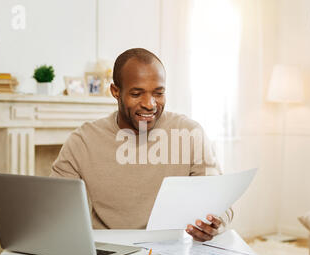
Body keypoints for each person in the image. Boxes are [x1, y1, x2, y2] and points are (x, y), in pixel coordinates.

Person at [51, 48, 233, 242]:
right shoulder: (82, 141)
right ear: (115, 91)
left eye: (158, 93)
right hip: (109, 252)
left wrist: (215, 223)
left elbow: (223, 205)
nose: (150, 104)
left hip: (172, 250)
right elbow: (53, 207)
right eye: (137, 94)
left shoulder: (190, 134)